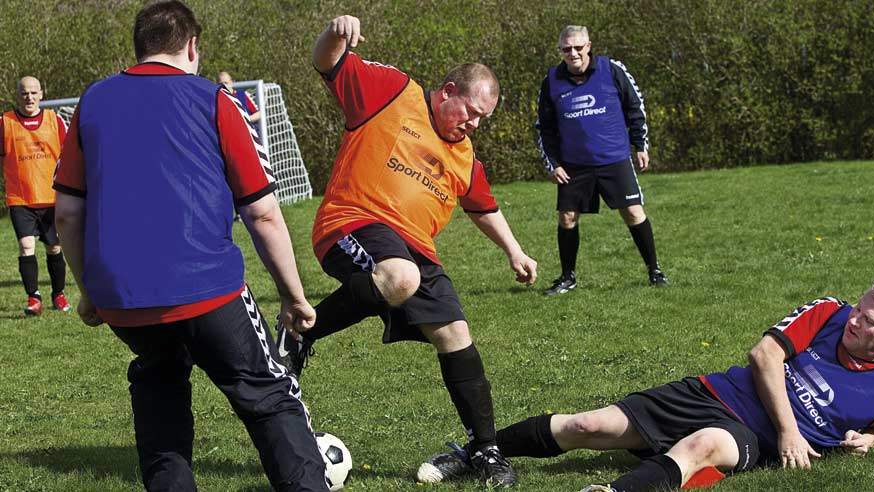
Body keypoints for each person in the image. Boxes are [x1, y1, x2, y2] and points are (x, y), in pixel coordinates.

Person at [53, 2, 327, 491]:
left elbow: (68, 213)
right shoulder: (214, 100)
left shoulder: (91, 103)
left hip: (125, 300)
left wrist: (89, 291)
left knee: (160, 398)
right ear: (193, 46)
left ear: (138, 49)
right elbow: (261, 212)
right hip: (207, 289)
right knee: (269, 397)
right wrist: (294, 295)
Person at [283, 14, 538, 487]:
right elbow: (327, 62)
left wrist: (515, 251)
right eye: (471, 111)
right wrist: (335, 32)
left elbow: (483, 207)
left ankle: (485, 450)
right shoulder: (393, 93)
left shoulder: (464, 157)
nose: (475, 124)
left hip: (415, 250)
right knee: (401, 277)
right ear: (446, 91)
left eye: (483, 118)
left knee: (455, 334)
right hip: (355, 220)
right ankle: (302, 333)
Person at [418, 277, 874, 491]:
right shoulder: (830, 312)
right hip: (716, 393)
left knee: (704, 446)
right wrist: (791, 432)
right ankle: (472, 453)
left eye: (870, 322)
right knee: (586, 425)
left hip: (750, 437)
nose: (856, 321)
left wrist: (870, 438)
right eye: (861, 309)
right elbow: (764, 356)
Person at [537, 25, 668, 295]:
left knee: (633, 213)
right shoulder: (551, 80)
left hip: (614, 158)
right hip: (574, 164)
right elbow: (545, 128)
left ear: (588, 46)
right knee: (567, 218)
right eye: (566, 48)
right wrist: (554, 163)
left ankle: (654, 271)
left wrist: (640, 144)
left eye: (578, 47)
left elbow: (635, 105)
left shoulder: (612, 69)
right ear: (560, 50)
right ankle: (567, 277)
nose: (572, 53)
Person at [2, 76, 72, 315]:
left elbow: (70, 155)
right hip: (20, 199)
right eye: (24, 93)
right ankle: (34, 298)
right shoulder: (5, 123)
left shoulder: (55, 121)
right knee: (26, 245)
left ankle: (58, 294)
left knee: (54, 247)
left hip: (51, 197)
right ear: (17, 95)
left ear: (41, 94)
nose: (29, 98)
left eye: (33, 93)